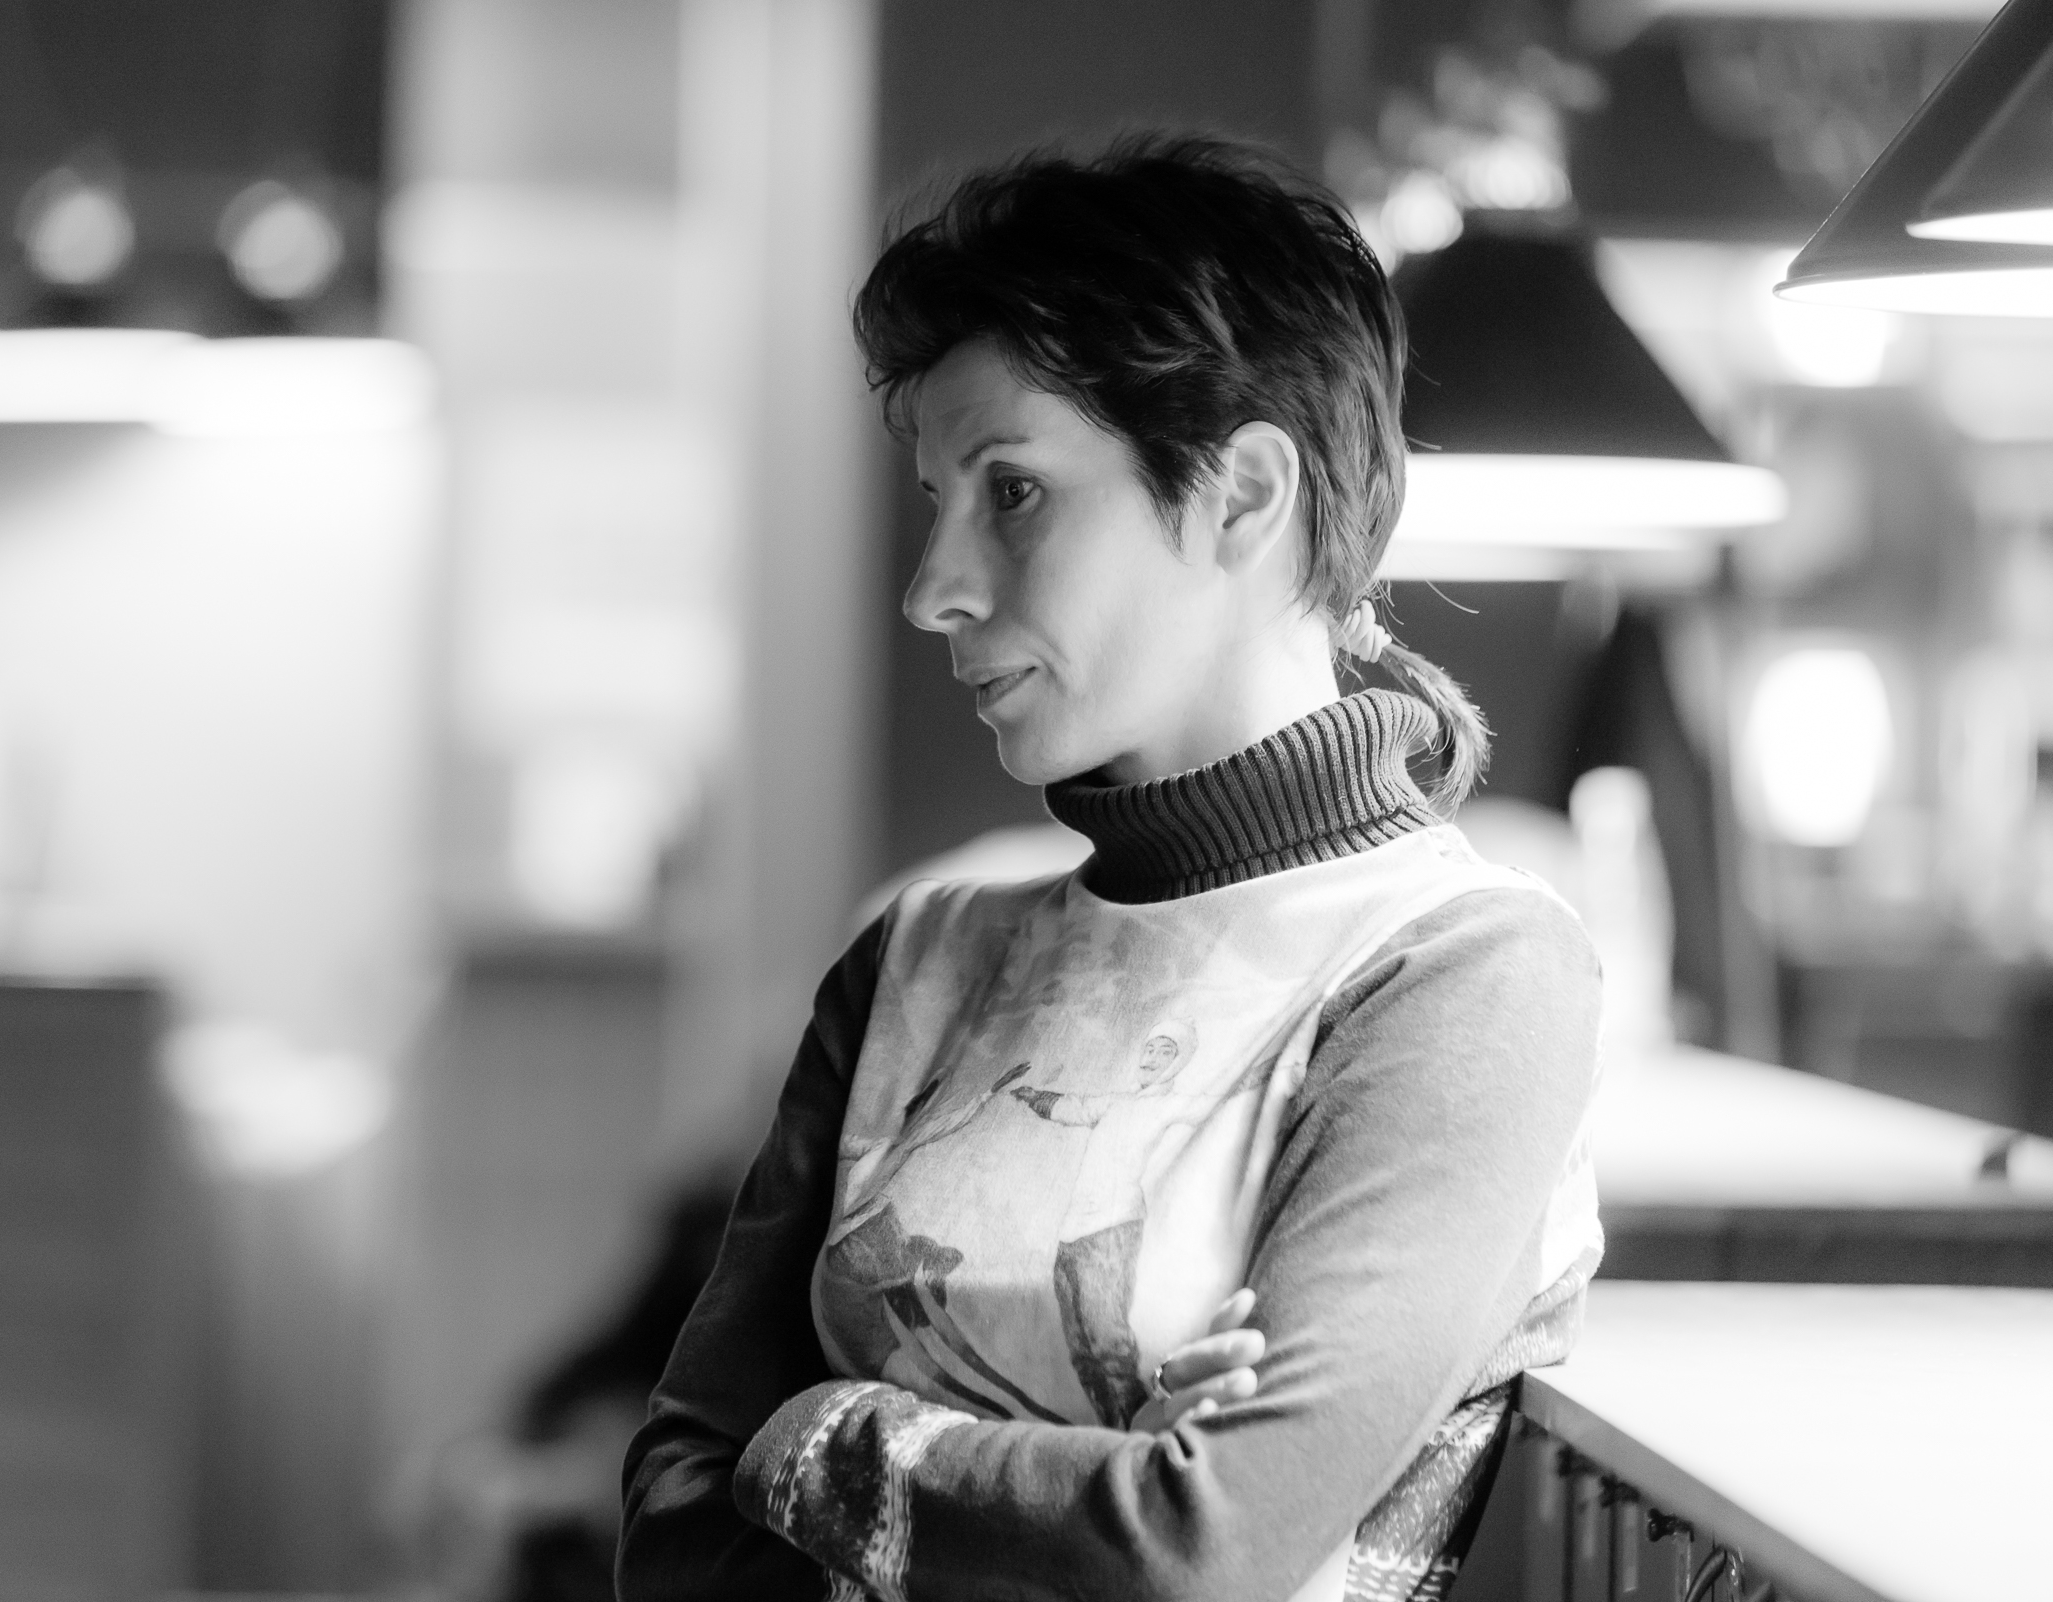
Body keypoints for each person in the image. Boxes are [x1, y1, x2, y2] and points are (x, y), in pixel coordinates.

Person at [618, 133, 1603, 1602]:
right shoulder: (916, 955)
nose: (933, 588)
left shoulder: (1460, 972)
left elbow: (1199, 1547)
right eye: (938, 500)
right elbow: (671, 1516)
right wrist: (1079, 1483)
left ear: (1242, 495)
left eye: (1012, 491)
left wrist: (828, 1435)